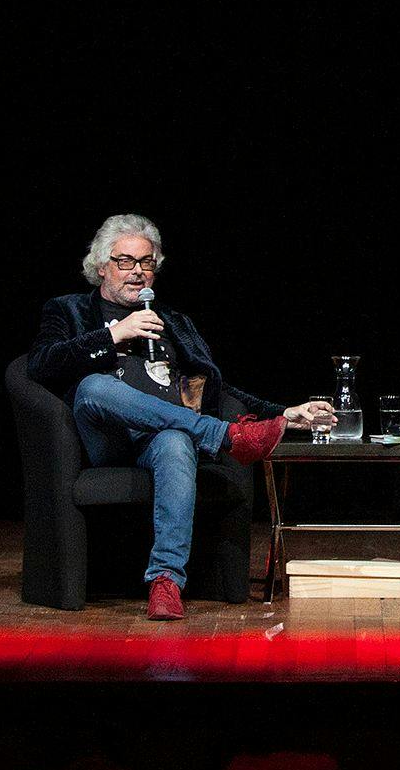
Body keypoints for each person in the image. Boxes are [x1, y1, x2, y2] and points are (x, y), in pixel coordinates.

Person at [28, 214, 333, 620]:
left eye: (147, 262)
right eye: (125, 261)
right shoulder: (68, 310)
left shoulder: (174, 321)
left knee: (175, 438)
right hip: (104, 436)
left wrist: (283, 412)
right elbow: (40, 365)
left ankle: (167, 582)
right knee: (94, 388)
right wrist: (114, 334)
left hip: (159, 438)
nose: (137, 272)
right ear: (100, 266)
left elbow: (213, 387)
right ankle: (224, 436)